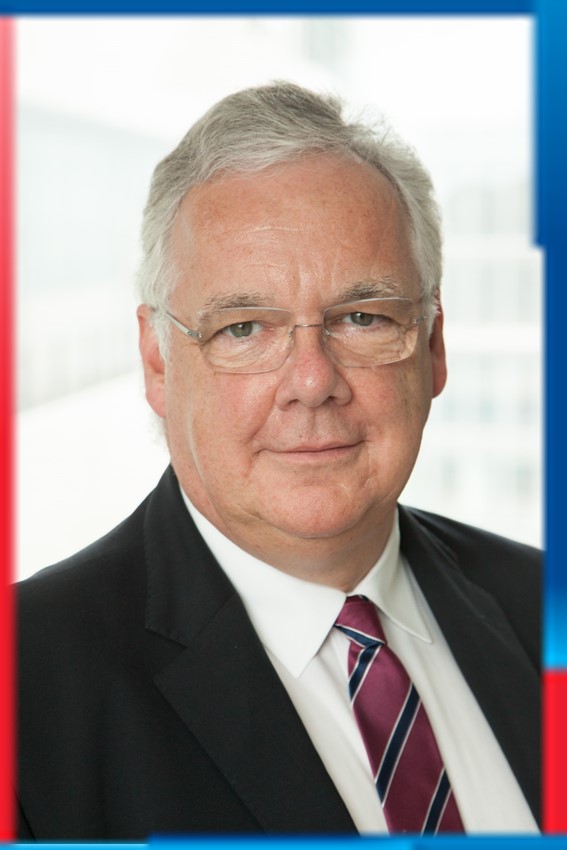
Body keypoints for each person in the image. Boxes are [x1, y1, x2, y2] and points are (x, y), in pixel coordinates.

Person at [16, 82, 540, 840]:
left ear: (432, 346)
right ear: (157, 361)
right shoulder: (26, 689)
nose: (312, 381)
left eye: (363, 317)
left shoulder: (540, 602)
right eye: (244, 328)